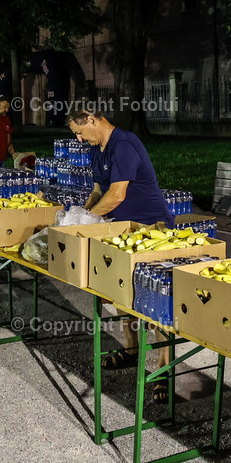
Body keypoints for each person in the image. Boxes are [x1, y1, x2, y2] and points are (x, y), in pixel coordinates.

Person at [66, 109, 174, 401]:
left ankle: (164, 369)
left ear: (92, 118)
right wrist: (80, 218)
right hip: (121, 230)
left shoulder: (124, 144)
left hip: (152, 228)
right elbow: (99, 191)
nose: (78, 138)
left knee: (155, 301)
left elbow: (116, 195)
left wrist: (86, 220)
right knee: (120, 290)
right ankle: (131, 349)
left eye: (79, 131)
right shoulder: (96, 149)